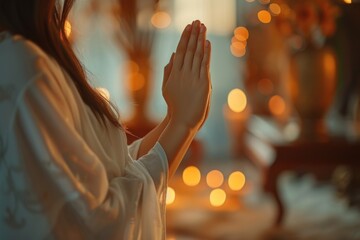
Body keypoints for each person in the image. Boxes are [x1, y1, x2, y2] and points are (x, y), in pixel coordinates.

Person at [0, 0, 212, 239]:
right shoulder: (23, 66)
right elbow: (94, 222)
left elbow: (107, 170)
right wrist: (181, 125)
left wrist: (175, 120)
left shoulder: (32, 53)